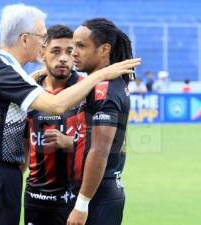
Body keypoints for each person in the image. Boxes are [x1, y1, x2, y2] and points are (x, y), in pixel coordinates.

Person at [0, 4, 140, 225]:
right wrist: (101, 73)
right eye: (43, 38)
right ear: (25, 39)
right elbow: (55, 105)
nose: (44, 43)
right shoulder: (3, 72)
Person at [67, 18, 134, 225]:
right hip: (94, 191)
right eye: (73, 46)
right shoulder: (95, 84)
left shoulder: (104, 89)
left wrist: (81, 205)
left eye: (81, 46)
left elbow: (100, 150)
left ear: (104, 49)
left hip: (98, 196)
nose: (73, 53)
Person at [22, 24, 86, 225]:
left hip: (71, 197)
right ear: (42, 53)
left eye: (69, 51)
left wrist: (70, 142)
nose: (64, 58)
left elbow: (105, 148)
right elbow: (23, 144)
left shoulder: (86, 90)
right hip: (35, 196)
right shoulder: (28, 91)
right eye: (56, 51)